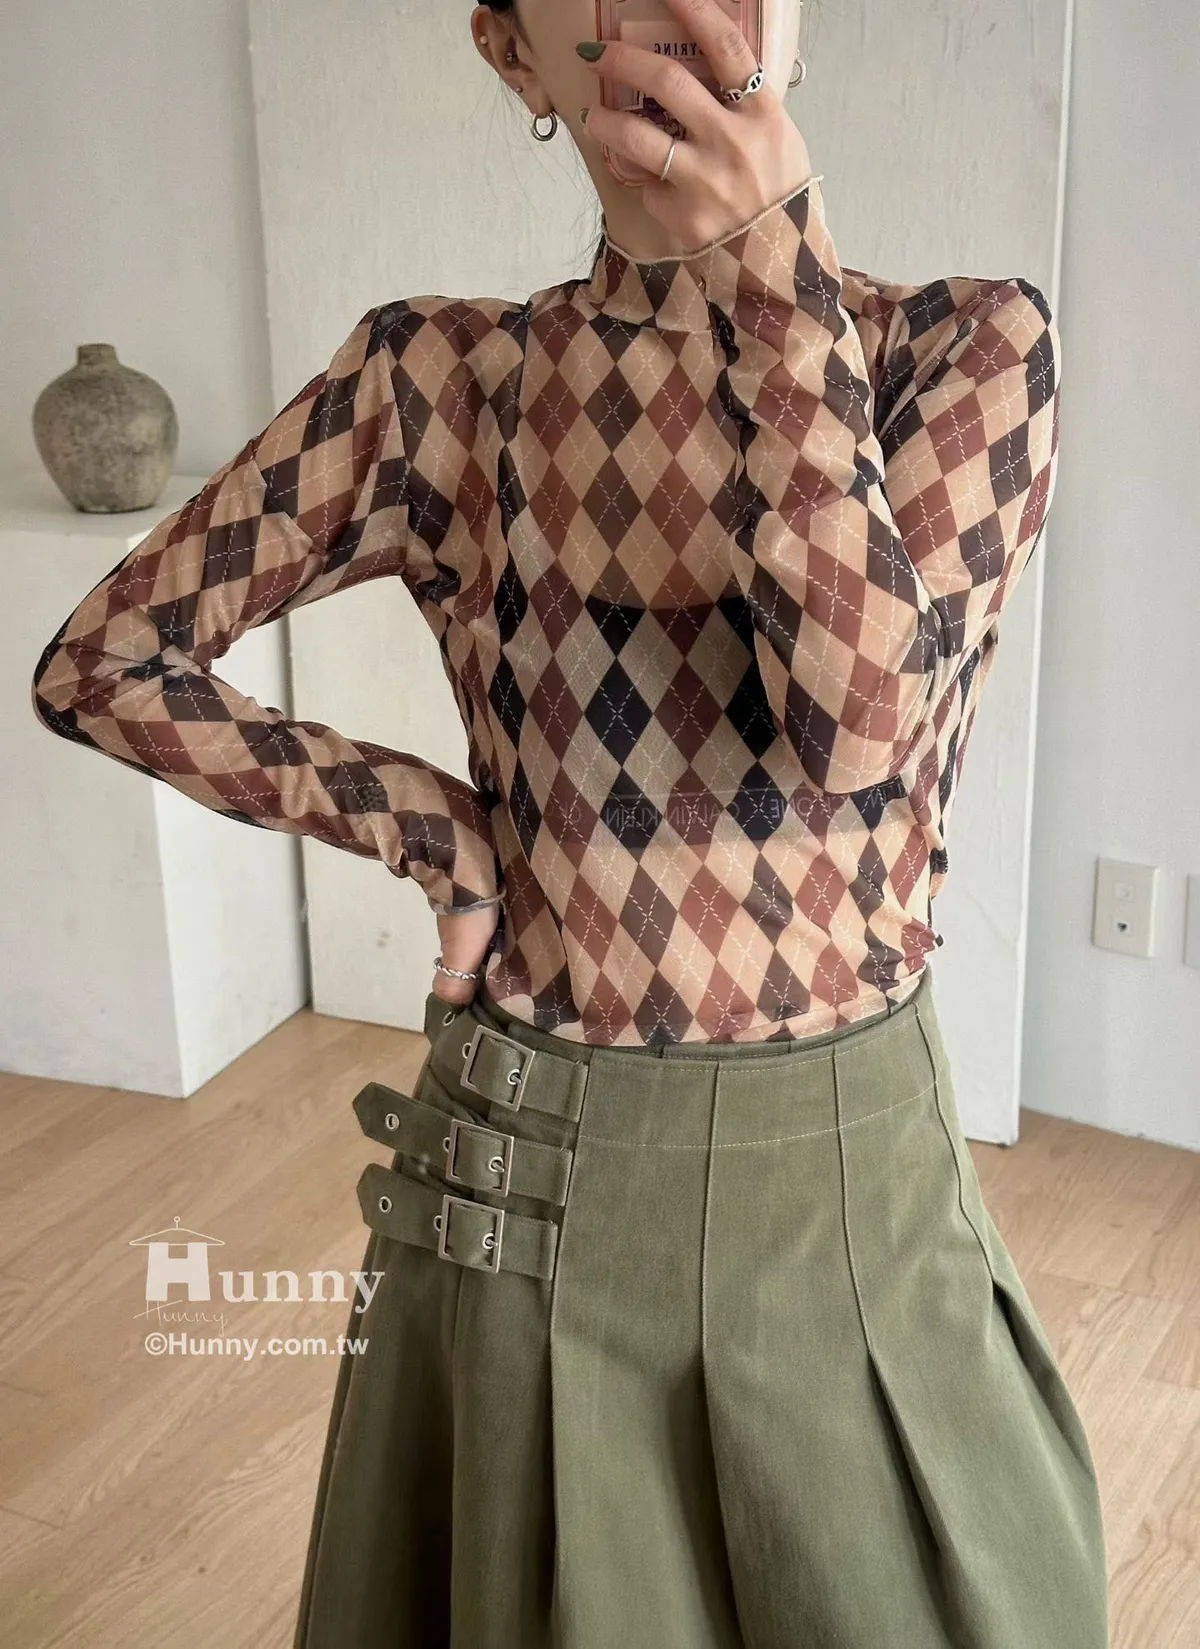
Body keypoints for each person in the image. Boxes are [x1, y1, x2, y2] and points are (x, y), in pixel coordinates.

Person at [30, 0, 1110, 1643]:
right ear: (509, 50)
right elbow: (105, 662)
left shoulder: (963, 352)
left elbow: (856, 736)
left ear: (797, 23)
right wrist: (427, 826)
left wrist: (771, 281)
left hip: (846, 1193)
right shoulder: (439, 382)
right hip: (531, 1171)